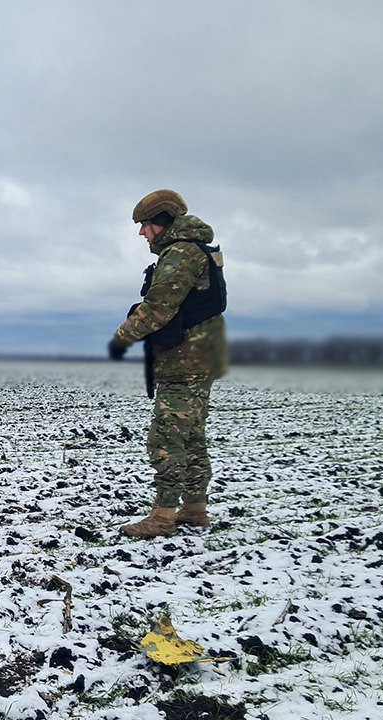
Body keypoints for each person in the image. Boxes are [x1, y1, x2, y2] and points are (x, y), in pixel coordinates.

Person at [108, 189, 228, 538]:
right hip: (197, 357)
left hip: (185, 360)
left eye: (145, 225)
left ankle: (162, 517)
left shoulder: (180, 255)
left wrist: (123, 335)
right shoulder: (194, 251)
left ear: (162, 222)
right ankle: (193, 509)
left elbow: (159, 308)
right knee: (191, 437)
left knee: (165, 439)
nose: (141, 233)